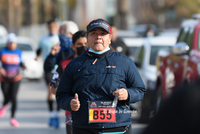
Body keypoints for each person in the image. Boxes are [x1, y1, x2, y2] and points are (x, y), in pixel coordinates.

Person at [56, 18, 146, 134]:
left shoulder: (124, 62)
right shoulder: (74, 65)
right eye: (93, 34)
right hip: (84, 127)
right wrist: (70, 103)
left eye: (103, 34)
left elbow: (140, 90)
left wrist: (127, 94)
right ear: (87, 38)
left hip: (118, 128)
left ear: (110, 38)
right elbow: (61, 95)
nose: (98, 37)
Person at [50, 30, 87, 134]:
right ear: (73, 46)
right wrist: (68, 94)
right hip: (72, 112)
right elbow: (53, 88)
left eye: (86, 44)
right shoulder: (64, 63)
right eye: (79, 44)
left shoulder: (95, 61)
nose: (83, 46)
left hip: (93, 110)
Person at [35, 19, 60, 128]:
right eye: (50, 27)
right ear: (48, 28)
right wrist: (36, 57)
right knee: (51, 90)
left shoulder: (60, 38)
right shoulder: (43, 39)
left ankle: (57, 115)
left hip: (59, 68)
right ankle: (51, 115)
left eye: (54, 26)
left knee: (59, 92)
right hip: (48, 69)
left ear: (57, 27)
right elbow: (39, 50)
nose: (52, 28)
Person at [0, 33, 27, 127]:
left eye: (13, 43)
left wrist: (24, 66)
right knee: (6, 96)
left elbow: (20, 62)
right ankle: (4, 106)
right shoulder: (2, 51)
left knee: (14, 97)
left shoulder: (19, 51)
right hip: (4, 78)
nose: (12, 44)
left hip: (16, 78)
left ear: (16, 43)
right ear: (7, 43)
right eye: (10, 43)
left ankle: (12, 118)